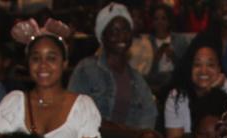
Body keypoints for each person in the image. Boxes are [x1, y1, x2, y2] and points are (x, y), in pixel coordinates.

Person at [0, 18, 99, 138]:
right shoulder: (13, 103)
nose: (43, 65)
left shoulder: (83, 106)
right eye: (36, 58)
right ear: (27, 64)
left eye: (51, 58)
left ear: (64, 63)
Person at [67, 3, 158, 131]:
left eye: (126, 30)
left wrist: (131, 135)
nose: (122, 36)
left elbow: (148, 117)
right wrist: (119, 130)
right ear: (103, 36)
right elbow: (74, 112)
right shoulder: (86, 69)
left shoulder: (137, 80)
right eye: (114, 31)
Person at [164, 37, 227, 138]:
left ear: (219, 68)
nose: (203, 70)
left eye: (210, 65)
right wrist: (207, 94)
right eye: (197, 65)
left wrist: (215, 93)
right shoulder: (176, 96)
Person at [146, 3, 192, 92]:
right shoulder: (147, 42)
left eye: (163, 18)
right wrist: (155, 59)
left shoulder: (180, 40)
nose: (160, 22)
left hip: (176, 81)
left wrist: (174, 57)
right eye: (156, 19)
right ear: (152, 22)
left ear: (169, 21)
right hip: (155, 82)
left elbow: (186, 68)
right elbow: (145, 74)